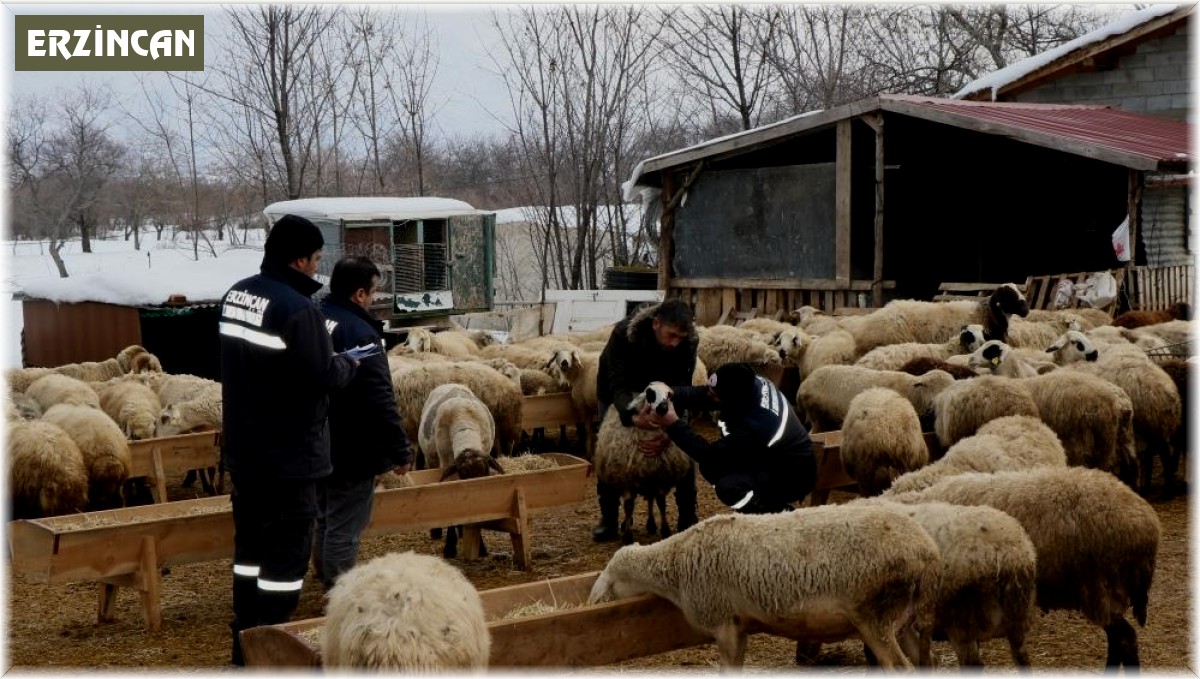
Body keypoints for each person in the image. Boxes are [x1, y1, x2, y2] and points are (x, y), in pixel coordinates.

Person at [219, 214, 358, 666]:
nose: (318, 269)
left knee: (250, 550)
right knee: (286, 557)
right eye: (317, 259)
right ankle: (272, 646)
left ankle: (244, 640)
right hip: (289, 456)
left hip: (246, 450)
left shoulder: (236, 295)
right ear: (299, 259)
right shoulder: (299, 310)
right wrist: (348, 364)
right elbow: (323, 374)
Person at [315, 256, 414, 590]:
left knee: (326, 518)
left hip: (320, 438)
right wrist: (400, 449)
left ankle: (325, 578)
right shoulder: (360, 332)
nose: (373, 299)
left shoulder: (318, 318)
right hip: (353, 445)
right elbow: (379, 396)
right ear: (359, 294)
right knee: (345, 526)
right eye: (372, 292)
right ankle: (339, 594)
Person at [646, 361, 816, 514]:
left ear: (732, 401)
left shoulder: (757, 427)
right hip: (771, 455)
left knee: (728, 487)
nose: (710, 394)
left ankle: (776, 513)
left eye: (715, 395)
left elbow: (710, 455)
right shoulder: (749, 384)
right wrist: (673, 393)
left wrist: (673, 423)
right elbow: (707, 395)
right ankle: (758, 503)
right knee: (712, 468)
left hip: (792, 474)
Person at [593, 299, 700, 542]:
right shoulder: (623, 335)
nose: (675, 343)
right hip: (618, 387)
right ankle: (608, 518)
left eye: (680, 338)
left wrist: (671, 432)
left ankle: (688, 515)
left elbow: (682, 388)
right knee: (608, 449)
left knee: (684, 447)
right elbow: (617, 385)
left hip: (665, 387)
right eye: (671, 335)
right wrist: (631, 416)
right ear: (656, 323)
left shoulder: (688, 342)